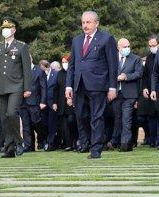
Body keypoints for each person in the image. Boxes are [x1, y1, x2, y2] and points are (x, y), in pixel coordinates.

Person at [66, 11, 118, 159]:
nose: (85, 25)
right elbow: (72, 65)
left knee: (97, 117)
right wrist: (69, 86)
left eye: (88, 22)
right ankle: (86, 142)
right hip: (79, 84)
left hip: (98, 85)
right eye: (83, 22)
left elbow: (113, 65)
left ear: (96, 23)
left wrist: (112, 87)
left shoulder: (106, 38)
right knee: (80, 116)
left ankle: (96, 149)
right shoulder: (77, 40)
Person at [0, 18, 32, 158]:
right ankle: (10, 148)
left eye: (8, 28)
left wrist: (27, 88)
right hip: (1, 86)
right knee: (4, 118)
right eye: (3, 28)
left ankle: (19, 142)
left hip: (16, 85)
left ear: (14, 30)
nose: (5, 30)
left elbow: (27, 69)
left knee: (11, 113)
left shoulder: (21, 46)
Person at [111, 38, 143, 151]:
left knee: (126, 118)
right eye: (125, 47)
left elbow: (139, 73)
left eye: (128, 46)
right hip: (116, 94)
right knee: (118, 118)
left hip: (130, 94)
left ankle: (125, 143)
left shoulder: (136, 59)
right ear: (118, 47)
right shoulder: (113, 59)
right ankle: (116, 141)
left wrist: (126, 77)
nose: (127, 48)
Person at [19, 60, 47, 152]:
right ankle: (28, 145)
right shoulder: (20, 71)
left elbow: (43, 87)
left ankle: (44, 139)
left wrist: (43, 101)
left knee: (36, 122)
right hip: (22, 102)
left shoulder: (39, 71)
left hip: (35, 101)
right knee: (26, 125)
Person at [139, 36, 159, 147]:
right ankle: (152, 140)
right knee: (151, 116)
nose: (152, 47)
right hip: (150, 91)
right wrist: (145, 88)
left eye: (154, 45)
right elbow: (146, 75)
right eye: (150, 46)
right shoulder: (149, 58)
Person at [54, 54, 77, 150]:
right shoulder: (59, 74)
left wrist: (72, 98)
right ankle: (68, 144)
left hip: (71, 102)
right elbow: (56, 88)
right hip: (61, 103)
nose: (64, 64)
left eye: (66, 62)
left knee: (71, 121)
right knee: (64, 125)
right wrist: (55, 102)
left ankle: (75, 141)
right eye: (63, 62)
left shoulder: (74, 72)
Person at [44, 61, 60, 150]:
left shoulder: (56, 75)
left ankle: (51, 143)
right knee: (44, 123)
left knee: (52, 124)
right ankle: (47, 141)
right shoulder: (43, 74)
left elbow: (56, 89)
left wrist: (55, 102)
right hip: (43, 103)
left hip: (52, 102)